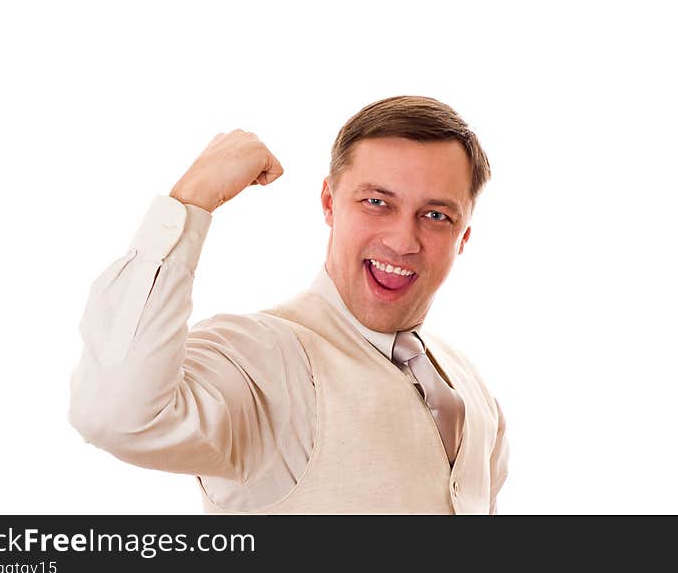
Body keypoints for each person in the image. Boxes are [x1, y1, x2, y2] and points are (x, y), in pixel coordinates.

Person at [69, 95, 509, 514]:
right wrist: (190, 200)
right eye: (376, 203)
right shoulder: (264, 358)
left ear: (463, 236)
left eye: (436, 216)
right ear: (329, 203)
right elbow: (113, 414)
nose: (402, 241)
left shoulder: (470, 388)